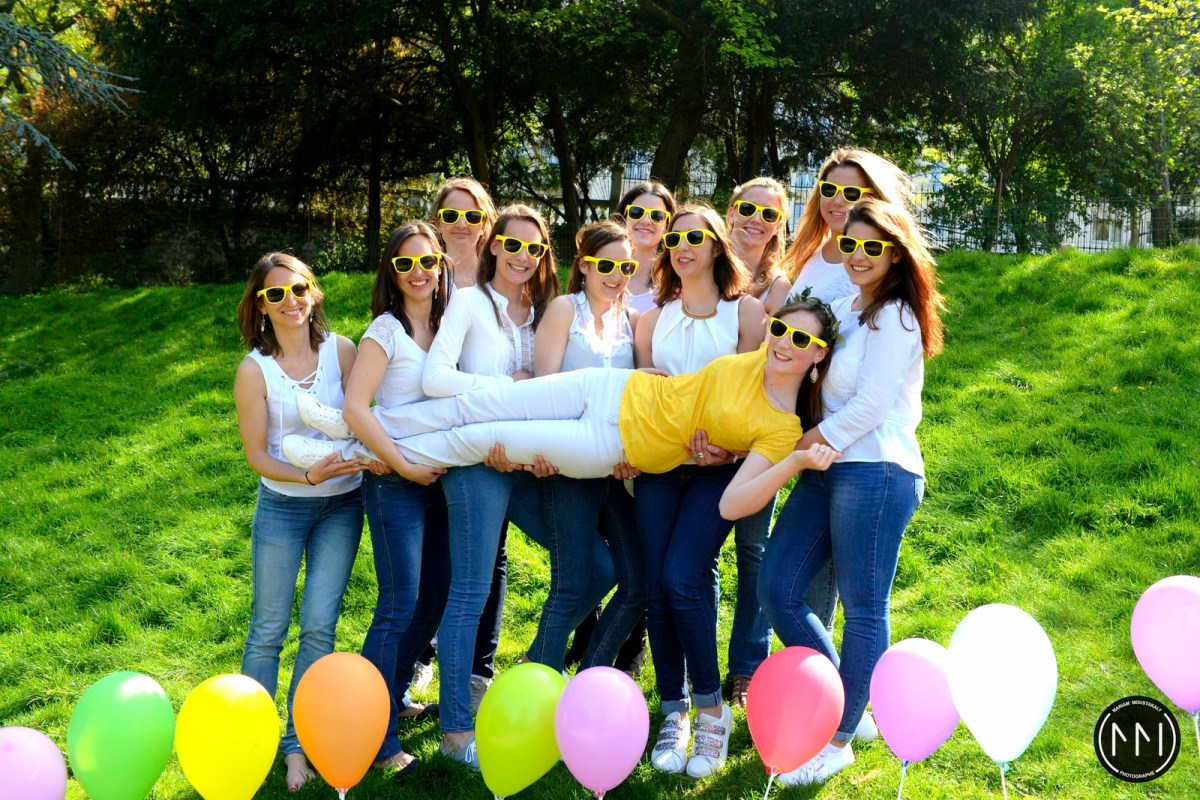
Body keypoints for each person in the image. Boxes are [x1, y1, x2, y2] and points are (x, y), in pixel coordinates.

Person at [759, 197, 945, 786]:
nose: (859, 255)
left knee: (865, 607)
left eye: (873, 246)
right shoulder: (843, 306)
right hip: (824, 467)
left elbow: (870, 406)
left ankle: (836, 740)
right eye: (851, 244)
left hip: (876, 471)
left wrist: (803, 445)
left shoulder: (897, 316)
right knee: (776, 588)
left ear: (896, 253)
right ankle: (849, 697)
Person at [629, 204, 766, 778]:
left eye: (695, 237)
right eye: (674, 239)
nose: (682, 246)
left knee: (683, 576)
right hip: (659, 468)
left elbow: (759, 397)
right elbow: (641, 399)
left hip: (719, 469)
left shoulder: (747, 314)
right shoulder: (650, 321)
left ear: (716, 246)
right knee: (658, 587)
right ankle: (673, 709)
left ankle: (711, 710)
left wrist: (731, 450)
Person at [232, 252, 364, 792]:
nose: (290, 301)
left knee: (318, 626)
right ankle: (251, 740)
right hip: (283, 508)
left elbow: (367, 418)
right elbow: (257, 457)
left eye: (299, 289)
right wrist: (306, 477)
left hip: (343, 506)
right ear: (261, 306)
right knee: (267, 629)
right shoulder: (254, 371)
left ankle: (297, 744)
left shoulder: (344, 352)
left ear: (315, 292)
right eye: (275, 294)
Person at [335, 222, 452, 774]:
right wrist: (403, 464)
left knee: (435, 598)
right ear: (391, 272)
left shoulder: (450, 324)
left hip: (442, 480)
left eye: (427, 261)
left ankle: (395, 695)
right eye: (405, 264)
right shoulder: (385, 330)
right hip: (393, 482)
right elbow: (356, 408)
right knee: (399, 604)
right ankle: (375, 739)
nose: (418, 272)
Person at [530, 220, 646, 670]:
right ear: (583, 265)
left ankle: (588, 673)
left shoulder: (631, 321)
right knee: (572, 583)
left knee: (635, 581)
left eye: (626, 267)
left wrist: (633, 453)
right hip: (569, 467)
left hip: (616, 471)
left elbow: (641, 398)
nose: (616, 276)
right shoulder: (564, 310)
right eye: (606, 265)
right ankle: (540, 675)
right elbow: (542, 391)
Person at [720, 176, 793, 709]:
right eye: (748, 209)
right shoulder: (702, 262)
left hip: (755, 439)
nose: (755, 220)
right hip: (696, 434)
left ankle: (747, 666)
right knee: (687, 559)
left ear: (778, 226)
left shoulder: (781, 286)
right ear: (730, 211)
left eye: (769, 215)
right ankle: (682, 663)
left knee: (753, 551)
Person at [782, 148, 910, 301]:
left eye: (851, 193)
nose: (837, 201)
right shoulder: (813, 251)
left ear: (874, 198)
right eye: (829, 190)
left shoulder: (873, 265)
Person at [614, 180, 677, 314]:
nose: (646, 221)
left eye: (657, 216)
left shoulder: (675, 284)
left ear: (667, 226)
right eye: (637, 212)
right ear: (623, 218)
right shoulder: (602, 273)